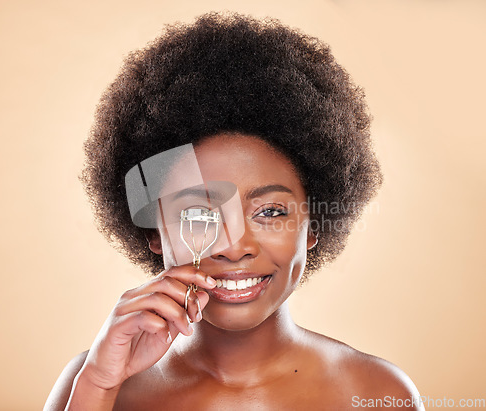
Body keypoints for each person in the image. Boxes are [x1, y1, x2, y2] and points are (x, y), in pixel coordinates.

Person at [45, 12, 422, 410]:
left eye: (271, 212)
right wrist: (99, 386)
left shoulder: (379, 394)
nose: (234, 246)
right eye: (198, 215)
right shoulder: (92, 382)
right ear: (155, 233)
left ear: (313, 225)